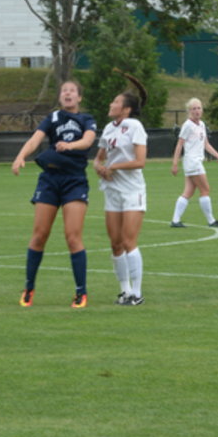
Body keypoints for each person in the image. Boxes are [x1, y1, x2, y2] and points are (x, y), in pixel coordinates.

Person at [11, 81, 97, 308]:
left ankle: (81, 292)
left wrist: (70, 146)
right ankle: (29, 288)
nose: (67, 93)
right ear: (60, 97)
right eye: (64, 91)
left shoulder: (86, 119)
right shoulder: (53, 118)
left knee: (72, 236)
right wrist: (20, 156)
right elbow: (35, 139)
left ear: (79, 97)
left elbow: (88, 140)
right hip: (50, 180)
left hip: (74, 181)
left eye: (72, 91)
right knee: (39, 235)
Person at [93, 76, 148, 306]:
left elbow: (140, 161)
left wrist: (113, 167)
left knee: (128, 241)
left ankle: (137, 293)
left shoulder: (135, 126)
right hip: (112, 191)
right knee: (115, 243)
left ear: (126, 109)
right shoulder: (108, 128)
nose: (111, 104)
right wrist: (99, 167)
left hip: (132, 191)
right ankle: (124, 291)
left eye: (115, 102)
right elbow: (98, 158)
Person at [170, 97, 218, 228]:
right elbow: (179, 144)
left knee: (188, 192)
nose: (197, 111)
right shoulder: (187, 125)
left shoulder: (201, 124)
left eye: (199, 108)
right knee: (205, 189)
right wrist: (175, 163)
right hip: (193, 162)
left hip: (194, 162)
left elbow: (206, 144)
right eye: (194, 108)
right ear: (189, 111)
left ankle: (175, 220)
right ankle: (211, 221)